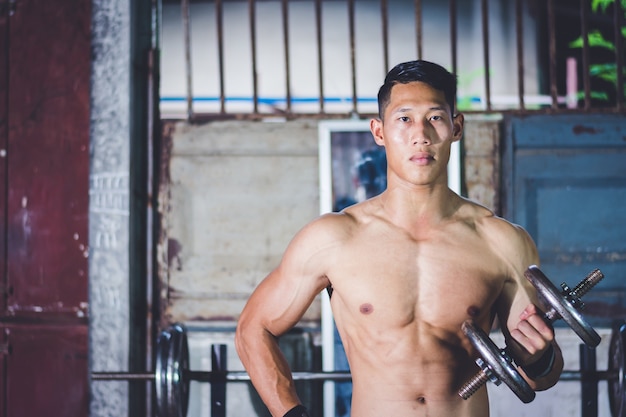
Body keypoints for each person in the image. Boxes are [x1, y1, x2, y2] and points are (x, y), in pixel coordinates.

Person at [235, 59, 564, 417]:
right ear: (379, 131)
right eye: (404, 119)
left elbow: (538, 379)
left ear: (456, 127)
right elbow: (253, 329)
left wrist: (539, 358)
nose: (420, 135)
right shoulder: (333, 238)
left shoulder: (502, 242)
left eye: (435, 117)